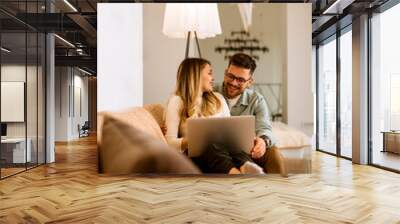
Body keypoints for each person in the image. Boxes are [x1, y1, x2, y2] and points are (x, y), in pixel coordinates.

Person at [164, 58, 264, 174]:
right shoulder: (177, 101)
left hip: (225, 151)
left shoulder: (218, 98)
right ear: (196, 75)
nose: (213, 78)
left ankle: (247, 169)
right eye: (210, 73)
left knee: (233, 148)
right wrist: (192, 140)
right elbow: (169, 143)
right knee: (211, 146)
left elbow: (230, 129)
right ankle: (237, 175)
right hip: (198, 157)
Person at [215, 53, 280, 173]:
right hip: (218, 149)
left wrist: (263, 142)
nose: (234, 83)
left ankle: (277, 187)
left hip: (246, 150)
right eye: (231, 76)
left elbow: (265, 127)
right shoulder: (211, 93)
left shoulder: (256, 100)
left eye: (240, 80)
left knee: (272, 151)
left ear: (249, 82)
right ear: (225, 73)